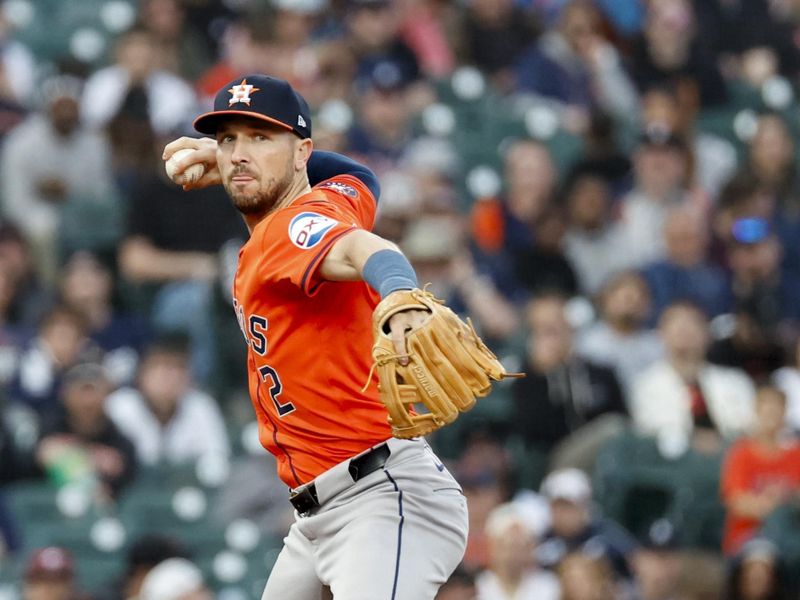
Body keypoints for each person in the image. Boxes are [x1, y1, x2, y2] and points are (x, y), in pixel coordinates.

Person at [162, 74, 468, 598]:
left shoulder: (291, 228)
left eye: (261, 138)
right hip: (318, 515)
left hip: (380, 501)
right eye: (229, 138)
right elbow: (361, 176)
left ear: (303, 151)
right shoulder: (332, 198)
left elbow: (364, 251)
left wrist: (397, 293)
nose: (239, 154)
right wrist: (243, 160)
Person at [630, 301, 755, 452]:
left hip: (729, 456)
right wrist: (692, 438)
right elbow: (651, 430)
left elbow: (750, 426)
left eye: (692, 323)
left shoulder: (735, 381)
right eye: (676, 323)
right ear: (660, 334)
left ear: (707, 334)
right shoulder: (645, 384)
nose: (684, 329)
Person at [105, 335, 230, 466]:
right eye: (162, 367)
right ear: (141, 375)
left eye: (180, 368)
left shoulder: (201, 406)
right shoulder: (118, 406)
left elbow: (219, 459)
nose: (171, 377)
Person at [720, 387, 800, 556]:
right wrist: (778, 503)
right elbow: (738, 503)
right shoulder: (741, 453)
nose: (771, 416)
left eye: (776, 409)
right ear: (756, 411)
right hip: (748, 537)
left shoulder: (795, 453)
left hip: (789, 537)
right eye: (766, 409)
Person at [536, 468, 639, 580]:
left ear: (585, 507)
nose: (563, 514)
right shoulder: (541, 541)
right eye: (557, 506)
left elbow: (635, 565)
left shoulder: (608, 537)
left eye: (568, 507)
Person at [475, 503, 561, 600]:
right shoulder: (477, 586)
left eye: (521, 546)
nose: (514, 554)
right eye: (509, 545)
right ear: (493, 546)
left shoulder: (548, 586)